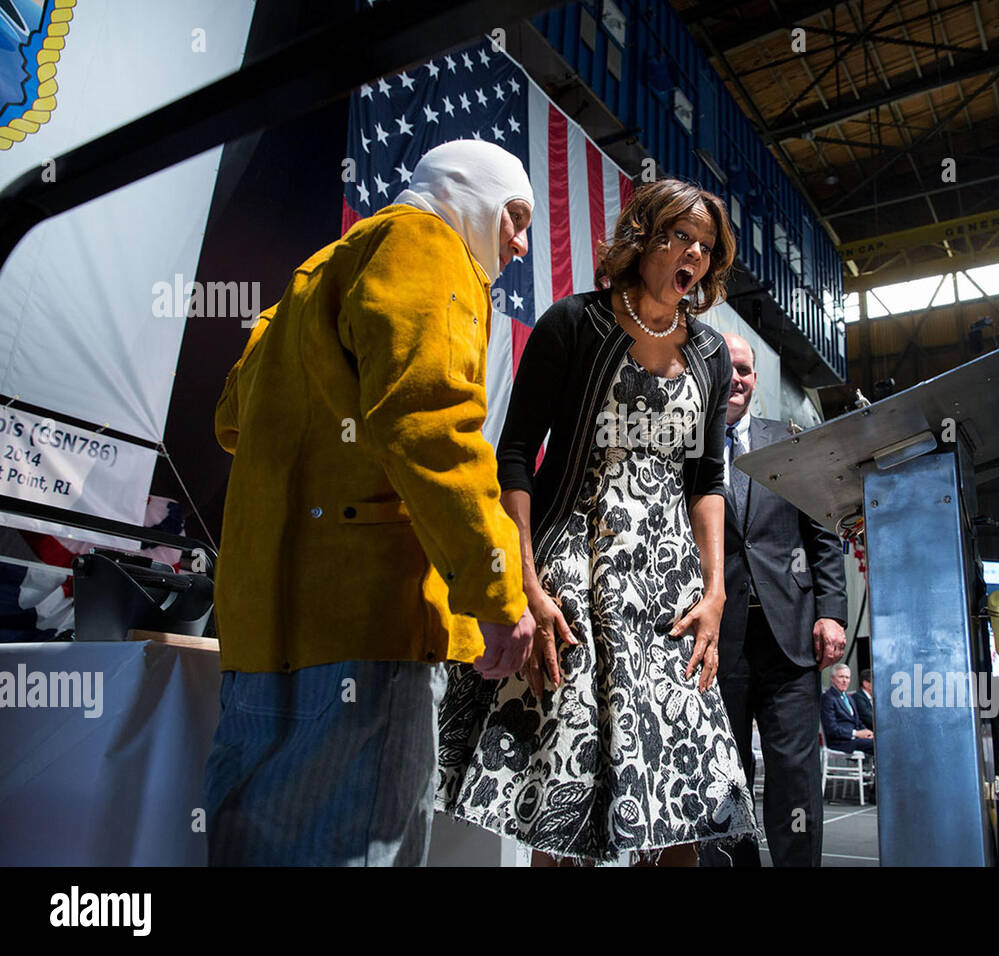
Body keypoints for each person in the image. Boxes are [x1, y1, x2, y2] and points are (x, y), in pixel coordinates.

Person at [204, 140, 537, 866]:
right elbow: (431, 424)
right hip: (374, 624)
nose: (518, 244)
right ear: (467, 191)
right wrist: (497, 590)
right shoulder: (429, 245)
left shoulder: (314, 276)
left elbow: (231, 419)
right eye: (514, 217)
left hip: (263, 626)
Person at [436, 178, 756, 866]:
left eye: (704, 245)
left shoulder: (707, 353)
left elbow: (706, 478)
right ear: (642, 238)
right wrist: (526, 578)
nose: (692, 254)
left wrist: (715, 592)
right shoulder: (572, 322)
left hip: (669, 591)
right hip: (573, 571)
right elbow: (515, 455)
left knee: (683, 805)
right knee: (565, 793)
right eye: (678, 236)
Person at [699, 332, 848, 868]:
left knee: (795, 776)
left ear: (755, 379)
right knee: (722, 779)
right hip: (717, 645)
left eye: (744, 368)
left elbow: (825, 533)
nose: (736, 377)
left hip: (791, 638)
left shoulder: (789, 440)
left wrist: (831, 612)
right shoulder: (685, 447)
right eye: (726, 367)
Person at [821, 663, 874, 756]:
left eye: (847, 677)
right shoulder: (828, 698)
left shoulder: (850, 698)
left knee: (881, 741)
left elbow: (857, 721)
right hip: (840, 742)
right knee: (878, 745)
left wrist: (868, 732)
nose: (844, 681)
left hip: (854, 740)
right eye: (841, 677)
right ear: (832, 679)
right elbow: (831, 729)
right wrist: (856, 733)